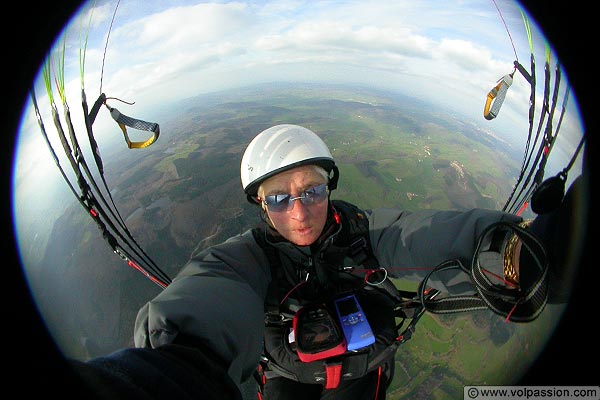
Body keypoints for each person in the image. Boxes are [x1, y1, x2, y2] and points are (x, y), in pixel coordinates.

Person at [125, 124, 575, 400]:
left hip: (364, 369)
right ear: (261, 206)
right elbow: (210, 291)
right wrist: (178, 364)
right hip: (290, 376)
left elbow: (423, 234)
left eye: (312, 191)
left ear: (329, 189)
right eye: (279, 199)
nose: (299, 212)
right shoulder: (248, 257)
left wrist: (527, 256)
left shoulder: (363, 232)